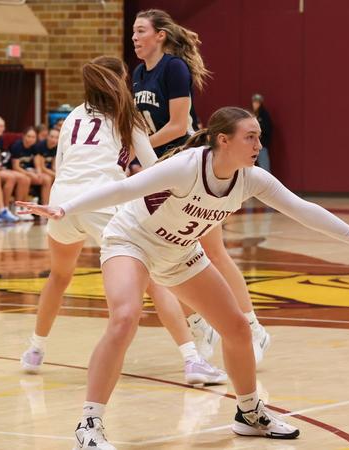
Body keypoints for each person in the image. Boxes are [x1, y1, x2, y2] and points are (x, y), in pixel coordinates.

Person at [18, 106, 349, 448]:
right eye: (250, 137)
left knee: (238, 328)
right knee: (124, 318)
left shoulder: (251, 178)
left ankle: (249, 413)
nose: (258, 146)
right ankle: (89, 425)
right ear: (223, 140)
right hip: (132, 241)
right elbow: (123, 190)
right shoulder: (186, 167)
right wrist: (64, 209)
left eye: (259, 138)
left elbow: (304, 210)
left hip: (179, 253)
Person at [18, 56, 227, 390]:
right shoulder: (127, 116)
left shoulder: (72, 115)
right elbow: (155, 170)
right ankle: (192, 360)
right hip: (102, 202)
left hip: (63, 201)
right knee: (154, 279)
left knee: (58, 276)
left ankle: (34, 350)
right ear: (117, 81)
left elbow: (63, 163)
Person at [132, 8, 273, 363]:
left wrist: (142, 148)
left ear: (160, 35)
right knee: (165, 255)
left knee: (213, 252)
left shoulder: (173, 68)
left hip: (188, 167)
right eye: (133, 32)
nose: (134, 38)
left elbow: (179, 126)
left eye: (140, 31)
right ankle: (199, 323)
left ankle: (253, 327)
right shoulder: (137, 73)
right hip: (158, 170)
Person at [10, 126, 53, 206]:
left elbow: (37, 163)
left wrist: (38, 172)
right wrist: (29, 173)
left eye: (33, 137)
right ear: (23, 136)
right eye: (28, 136)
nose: (31, 139)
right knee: (26, 179)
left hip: (28, 170)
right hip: (16, 170)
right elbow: (15, 167)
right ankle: (20, 207)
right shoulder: (17, 146)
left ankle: (45, 206)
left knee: (47, 179)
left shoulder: (35, 147)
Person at [251, 93, 272, 172]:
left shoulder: (264, 115)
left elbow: (267, 129)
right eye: (254, 102)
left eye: (257, 102)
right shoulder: (253, 114)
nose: (255, 104)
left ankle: (268, 184)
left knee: (264, 168)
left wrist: (258, 126)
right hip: (252, 145)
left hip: (262, 145)